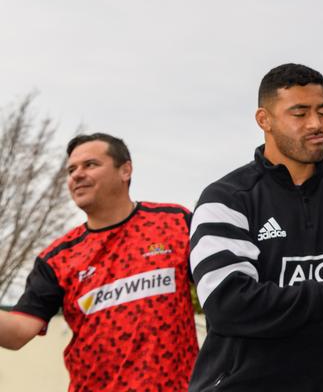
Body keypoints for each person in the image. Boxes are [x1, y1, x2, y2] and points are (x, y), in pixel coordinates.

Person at [188, 63, 323, 391]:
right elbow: (228, 304)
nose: (316, 124)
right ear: (264, 120)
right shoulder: (226, 199)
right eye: (299, 113)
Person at [0, 133, 198, 391]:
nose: (77, 175)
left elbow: (227, 291)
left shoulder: (175, 223)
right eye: (71, 169)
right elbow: (17, 332)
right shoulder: (58, 258)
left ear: (125, 170)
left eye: (90, 165)